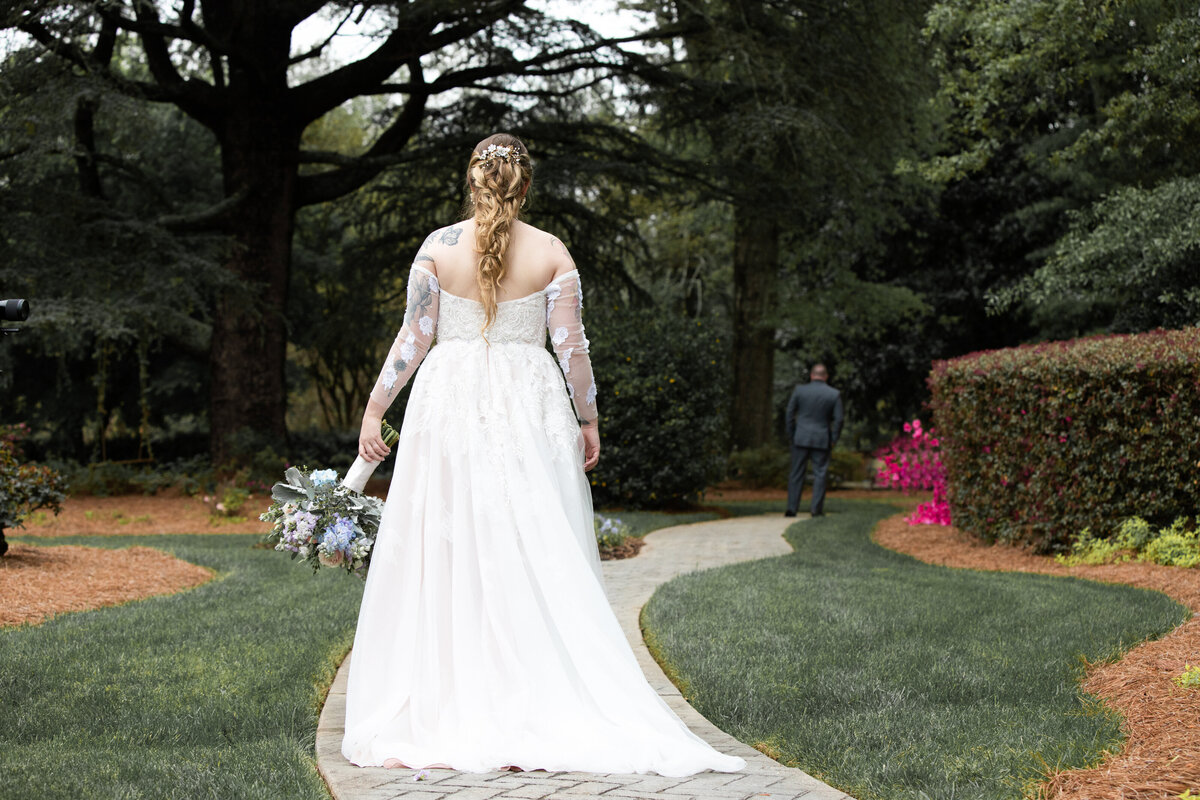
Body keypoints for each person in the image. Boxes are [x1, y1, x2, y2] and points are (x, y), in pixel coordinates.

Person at [340, 133, 746, 777]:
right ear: (525, 185)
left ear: (471, 181)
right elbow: (571, 348)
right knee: (529, 541)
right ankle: (531, 691)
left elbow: (413, 337)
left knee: (448, 546)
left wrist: (374, 408)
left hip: (448, 404)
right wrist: (588, 419)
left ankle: (450, 696)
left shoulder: (437, 248)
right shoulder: (552, 251)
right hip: (527, 408)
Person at [784, 363, 844, 518]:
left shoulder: (799, 391)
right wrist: (833, 439)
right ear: (826, 377)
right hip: (821, 438)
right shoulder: (834, 394)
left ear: (811, 375)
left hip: (800, 437)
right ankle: (816, 510)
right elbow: (839, 420)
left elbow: (789, 414)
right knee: (820, 474)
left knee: (796, 473)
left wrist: (792, 435)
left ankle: (792, 508)